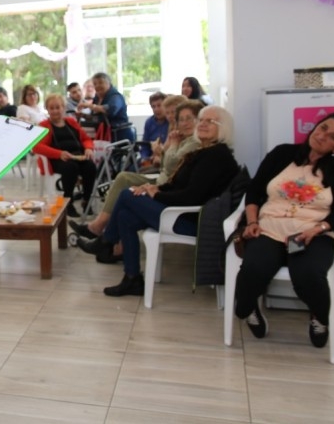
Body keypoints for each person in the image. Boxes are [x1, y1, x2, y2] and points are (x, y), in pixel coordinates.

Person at [235, 112, 334, 349]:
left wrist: (320, 228)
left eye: (332, 136)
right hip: (269, 229)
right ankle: (248, 308)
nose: (322, 136)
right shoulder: (283, 153)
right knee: (253, 269)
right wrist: (251, 222)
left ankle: (320, 317)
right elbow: (253, 192)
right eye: (322, 128)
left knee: (309, 274)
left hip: (310, 234)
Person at [90, 105, 238, 297]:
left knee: (127, 195)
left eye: (210, 121)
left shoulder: (216, 156)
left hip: (191, 220)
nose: (202, 124)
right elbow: (178, 184)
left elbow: (191, 196)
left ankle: (106, 241)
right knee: (126, 217)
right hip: (182, 212)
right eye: (201, 120)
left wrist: (157, 195)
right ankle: (132, 278)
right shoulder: (205, 151)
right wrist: (155, 188)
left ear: (223, 128)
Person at [73, 99, 204, 261]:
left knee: (126, 192)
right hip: (163, 181)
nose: (175, 119)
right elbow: (163, 162)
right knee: (123, 187)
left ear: (199, 120)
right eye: (179, 118)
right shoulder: (176, 132)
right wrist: (162, 150)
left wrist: (169, 147)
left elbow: (170, 166)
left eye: (188, 118)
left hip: (167, 191)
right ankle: (114, 248)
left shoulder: (192, 141)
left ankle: (105, 237)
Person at [33, 94, 96, 218]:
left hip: (77, 156)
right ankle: (68, 201)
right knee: (71, 167)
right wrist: (59, 154)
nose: (55, 111)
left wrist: (88, 148)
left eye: (58, 107)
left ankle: (86, 200)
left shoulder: (71, 122)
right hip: (57, 159)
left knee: (90, 166)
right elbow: (36, 147)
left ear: (64, 108)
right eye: (52, 108)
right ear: (47, 109)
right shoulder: (44, 125)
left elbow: (85, 139)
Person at [91, 72, 135, 143]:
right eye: (95, 84)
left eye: (100, 83)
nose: (97, 86)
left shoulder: (116, 96)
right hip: (102, 135)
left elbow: (111, 110)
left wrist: (92, 106)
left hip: (118, 135)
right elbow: (95, 116)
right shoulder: (96, 98)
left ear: (108, 83)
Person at [138, 91, 169, 164]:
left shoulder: (171, 121)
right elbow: (145, 145)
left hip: (166, 158)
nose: (156, 109)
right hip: (151, 158)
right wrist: (145, 158)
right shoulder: (149, 122)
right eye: (153, 106)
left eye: (159, 105)